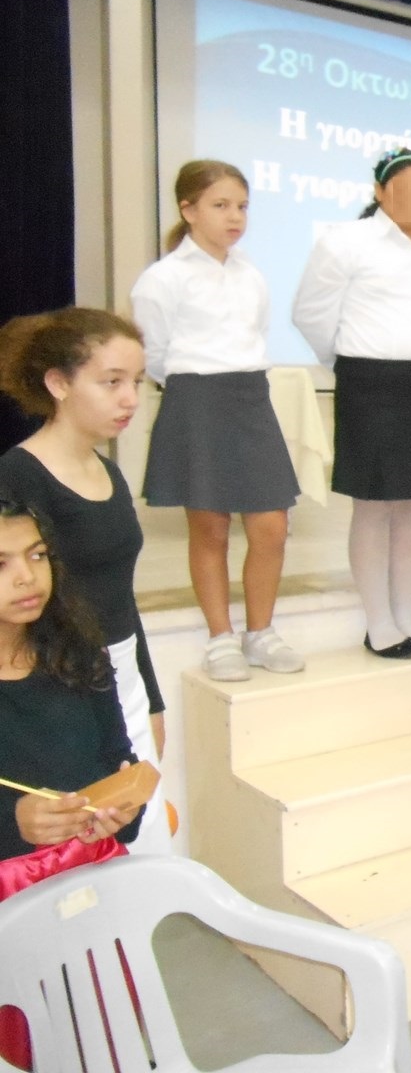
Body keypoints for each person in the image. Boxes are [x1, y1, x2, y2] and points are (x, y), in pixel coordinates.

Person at [0, 309, 171, 855]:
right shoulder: (19, 476)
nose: (130, 399)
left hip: (118, 673)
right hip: (66, 685)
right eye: (111, 382)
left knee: (144, 841)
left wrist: (150, 698)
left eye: (137, 382)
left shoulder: (109, 471)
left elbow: (121, 596)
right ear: (59, 383)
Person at [131, 160, 304, 683]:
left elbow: (258, 333)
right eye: (220, 205)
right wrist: (195, 388)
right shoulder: (162, 278)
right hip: (196, 400)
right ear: (188, 210)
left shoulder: (251, 274)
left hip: (250, 398)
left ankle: (261, 632)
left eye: (242, 206)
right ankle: (220, 637)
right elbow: (154, 354)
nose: (235, 217)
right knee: (210, 529)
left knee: (272, 526)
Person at [292, 148, 411, 658]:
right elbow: (311, 314)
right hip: (372, 382)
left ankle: (406, 615)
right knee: (373, 506)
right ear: (379, 191)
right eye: (406, 186)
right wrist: (349, 360)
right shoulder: (346, 241)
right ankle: (378, 623)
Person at [0, 498, 145, 1072]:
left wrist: (121, 810)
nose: (26, 577)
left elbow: (118, 757)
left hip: (91, 881)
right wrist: (12, 820)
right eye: (1, 563)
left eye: (37, 555)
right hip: (9, 901)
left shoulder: (76, 650)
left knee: (100, 1034)